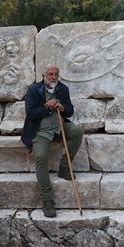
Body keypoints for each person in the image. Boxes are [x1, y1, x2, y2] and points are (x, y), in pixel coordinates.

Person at [20, 64, 84, 218]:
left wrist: (62, 108)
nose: (53, 77)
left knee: (77, 131)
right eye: (50, 74)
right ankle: (47, 200)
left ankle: (64, 167)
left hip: (58, 127)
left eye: (56, 74)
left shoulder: (63, 89)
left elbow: (70, 111)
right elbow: (30, 113)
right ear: (44, 75)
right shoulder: (34, 90)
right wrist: (47, 107)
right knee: (41, 156)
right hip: (40, 131)